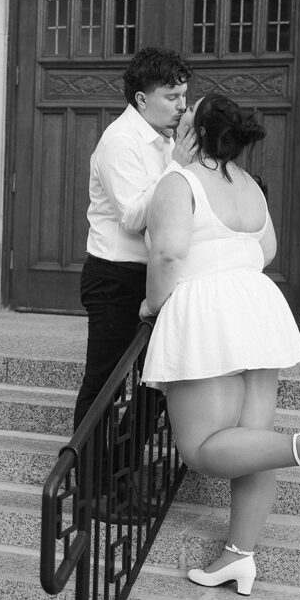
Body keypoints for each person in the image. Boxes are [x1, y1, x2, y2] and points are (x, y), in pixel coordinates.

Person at [140, 93, 300, 596]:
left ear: (197, 133)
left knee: (201, 449)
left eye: (186, 117)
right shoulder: (250, 185)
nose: (179, 122)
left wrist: (153, 306)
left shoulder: (179, 181)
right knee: (252, 444)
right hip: (255, 306)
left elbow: (168, 254)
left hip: (208, 310)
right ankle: (238, 557)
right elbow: (268, 249)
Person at [73, 46, 195, 436]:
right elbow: (132, 217)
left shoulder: (168, 141)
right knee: (104, 382)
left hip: (157, 276)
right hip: (114, 277)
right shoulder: (119, 141)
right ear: (142, 99)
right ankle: (88, 470)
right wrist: (177, 167)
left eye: (184, 96)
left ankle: (121, 464)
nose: (182, 106)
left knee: (159, 381)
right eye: (171, 97)